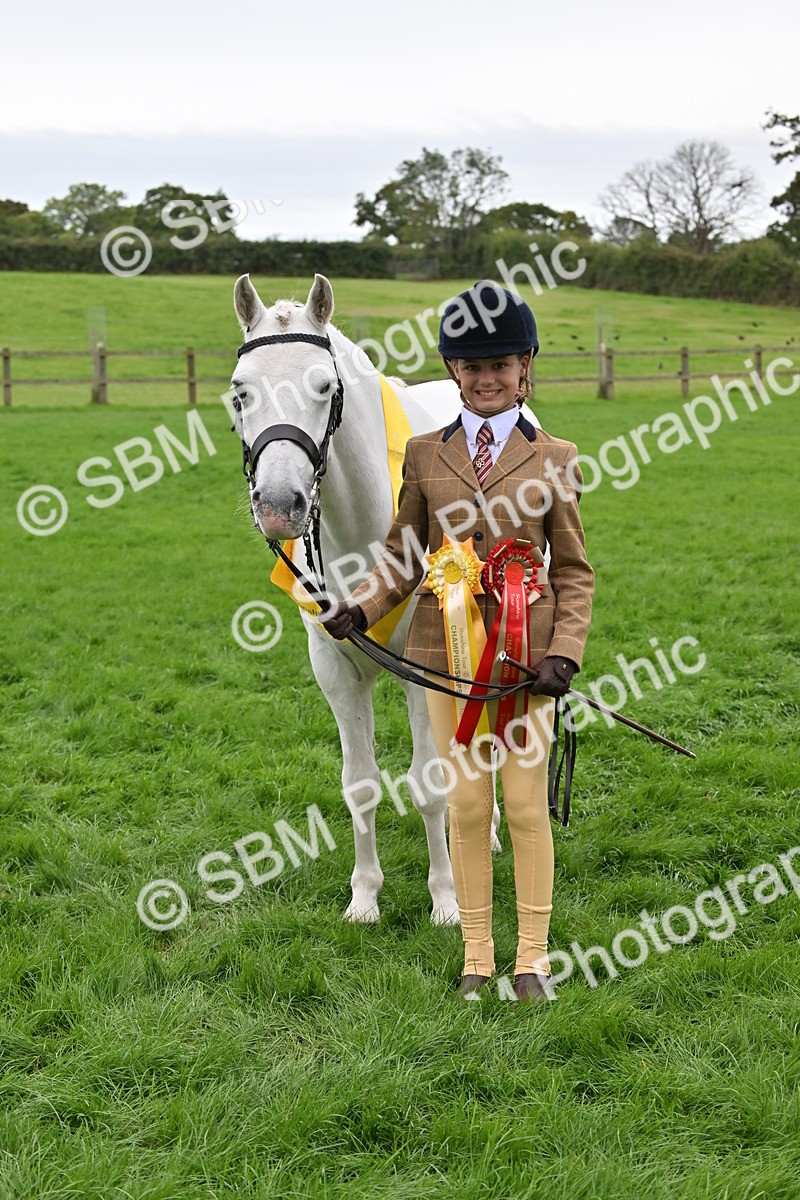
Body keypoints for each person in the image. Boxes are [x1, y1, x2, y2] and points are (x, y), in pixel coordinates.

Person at [323, 280, 594, 1003]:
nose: (487, 378)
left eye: (501, 365)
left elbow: (574, 570)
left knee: (526, 809)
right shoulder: (422, 453)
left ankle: (531, 959)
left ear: (526, 367)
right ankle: (478, 957)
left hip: (525, 663)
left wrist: (564, 651)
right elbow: (401, 558)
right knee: (468, 808)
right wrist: (363, 604)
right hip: (444, 662)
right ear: (454, 372)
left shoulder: (555, 456)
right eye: (473, 367)